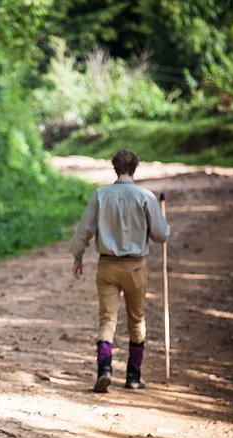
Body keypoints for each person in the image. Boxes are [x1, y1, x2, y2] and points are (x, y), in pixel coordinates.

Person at [70, 149, 170, 392]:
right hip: (135, 267)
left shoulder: (101, 195)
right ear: (134, 168)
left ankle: (104, 369)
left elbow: (85, 229)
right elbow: (160, 235)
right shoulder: (145, 197)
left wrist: (78, 255)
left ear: (114, 168)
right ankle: (134, 376)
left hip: (107, 266)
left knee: (107, 319)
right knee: (137, 320)